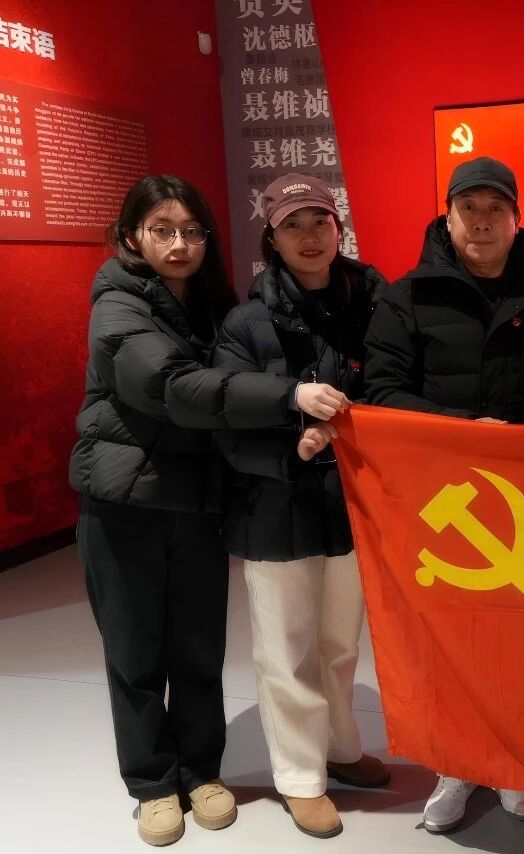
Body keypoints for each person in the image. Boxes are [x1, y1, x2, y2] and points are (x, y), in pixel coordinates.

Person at [69, 175, 350, 847]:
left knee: (198, 647)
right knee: (135, 649)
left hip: (196, 501)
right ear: (130, 236)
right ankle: (152, 783)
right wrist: (290, 396)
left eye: (191, 231)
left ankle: (201, 771)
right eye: (162, 230)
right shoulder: (117, 304)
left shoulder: (213, 306)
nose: (179, 244)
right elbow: (171, 386)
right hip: (125, 502)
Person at [363, 155, 524, 833]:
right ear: (447, 218)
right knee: (449, 639)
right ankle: (456, 765)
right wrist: (462, 430)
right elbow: (382, 392)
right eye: (469, 209)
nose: (482, 223)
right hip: (439, 498)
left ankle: (514, 762)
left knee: (522, 642)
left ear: (516, 220)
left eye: (495, 210)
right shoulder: (405, 298)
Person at [210, 174, 389, 839]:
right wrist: (298, 441)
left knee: (340, 642)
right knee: (286, 650)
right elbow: (227, 416)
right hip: (276, 505)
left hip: (351, 504)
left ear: (339, 229)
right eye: (293, 225)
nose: (309, 237)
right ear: (272, 238)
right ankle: (299, 777)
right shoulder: (245, 322)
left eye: (320, 221)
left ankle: (340, 748)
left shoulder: (371, 304)